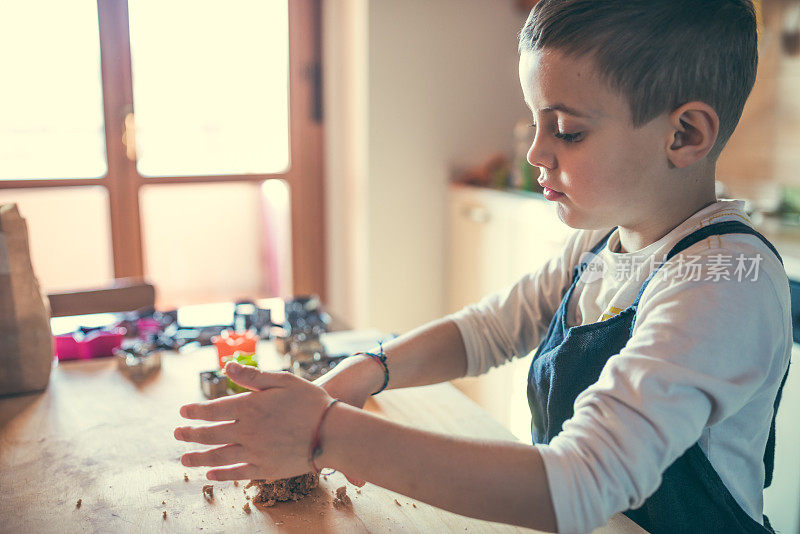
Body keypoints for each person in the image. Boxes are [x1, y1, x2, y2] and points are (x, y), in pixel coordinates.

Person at [174, 1, 792, 532]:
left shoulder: (720, 283)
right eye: (536, 122)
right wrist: (367, 370)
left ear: (684, 134)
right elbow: (490, 331)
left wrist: (325, 434)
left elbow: (586, 480)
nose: (534, 152)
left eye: (567, 130)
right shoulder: (607, 242)